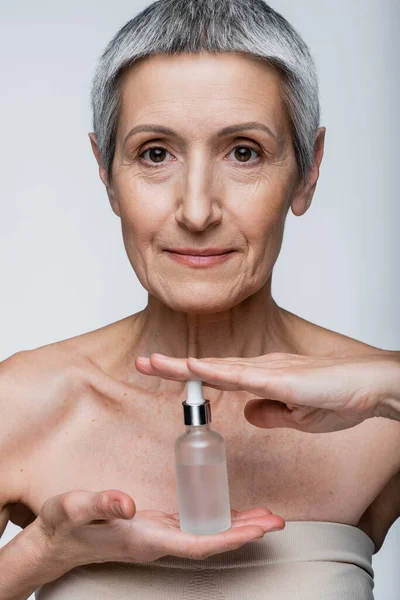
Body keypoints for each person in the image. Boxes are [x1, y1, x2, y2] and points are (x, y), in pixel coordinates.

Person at [0, 0, 399, 598]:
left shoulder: (382, 414)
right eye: (155, 153)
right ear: (107, 174)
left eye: (244, 152)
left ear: (308, 171)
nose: (195, 211)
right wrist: (42, 553)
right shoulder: (21, 405)